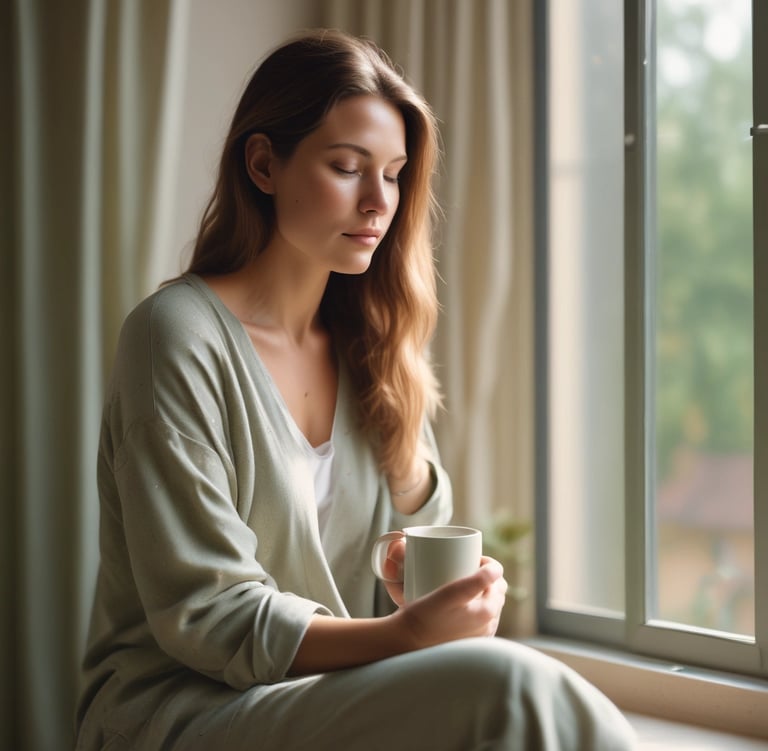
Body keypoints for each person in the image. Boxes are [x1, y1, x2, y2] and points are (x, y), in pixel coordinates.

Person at [75, 29, 636, 750]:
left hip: (312, 698)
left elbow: (414, 539)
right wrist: (402, 634)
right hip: (177, 712)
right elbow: (208, 612)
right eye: (347, 166)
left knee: (513, 680)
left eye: (396, 173)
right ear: (263, 164)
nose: (379, 201)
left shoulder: (363, 343)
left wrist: (433, 589)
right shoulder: (172, 336)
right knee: (510, 684)